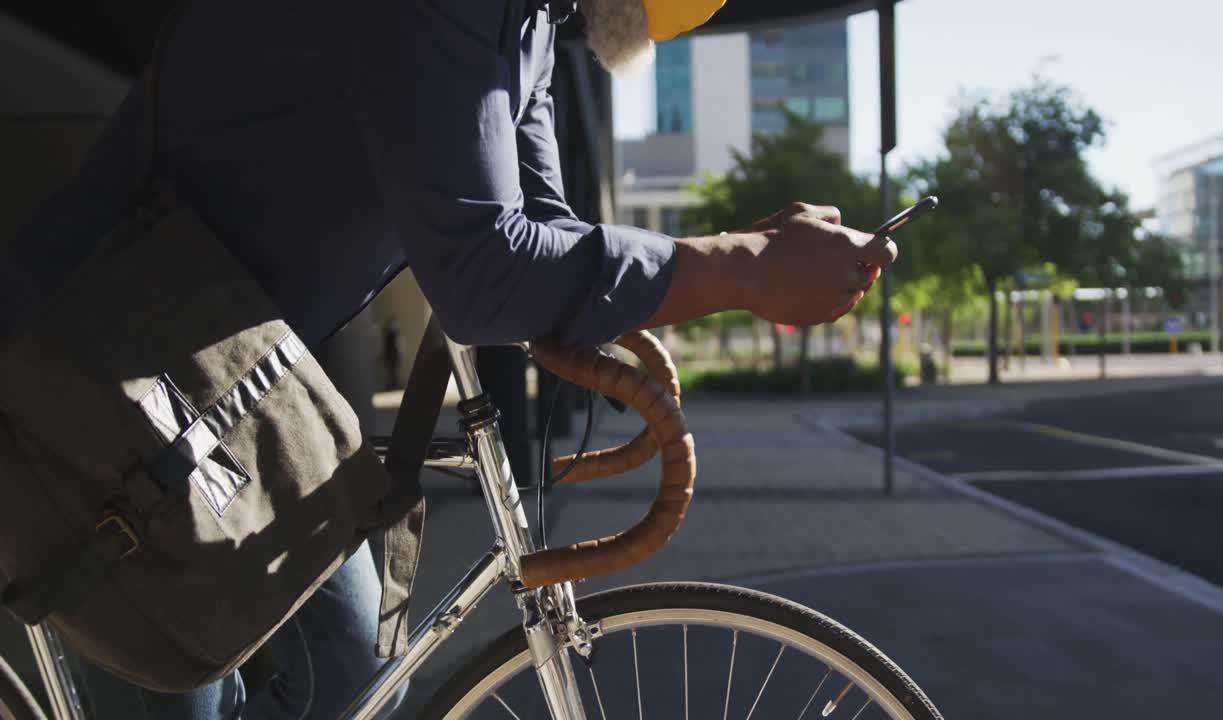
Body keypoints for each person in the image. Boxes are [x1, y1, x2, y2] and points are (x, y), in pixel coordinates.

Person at [6, 0, 896, 716]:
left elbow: (543, 233)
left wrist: (750, 249)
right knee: (182, 677)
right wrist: (741, 267)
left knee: (353, 679)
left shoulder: (536, 19)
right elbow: (485, 269)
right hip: (100, 389)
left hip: (240, 388)